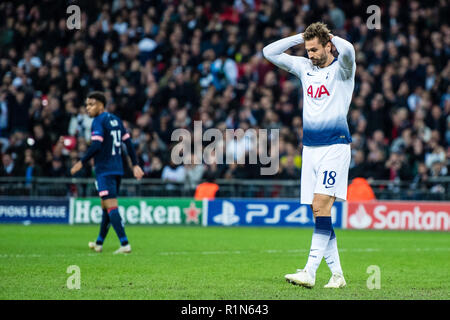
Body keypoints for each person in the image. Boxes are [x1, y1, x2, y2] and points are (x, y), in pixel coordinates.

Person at [263, 22, 355, 288]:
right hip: (310, 149)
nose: (310, 55)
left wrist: (331, 36)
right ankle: (337, 275)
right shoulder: (305, 68)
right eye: (307, 50)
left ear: (328, 46)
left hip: (335, 147)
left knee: (321, 205)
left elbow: (349, 50)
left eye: (315, 49)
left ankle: (310, 272)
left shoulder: (343, 70)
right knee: (319, 212)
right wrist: (299, 36)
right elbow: (269, 52)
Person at [70, 92, 144, 254]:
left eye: (92, 104)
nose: (88, 108)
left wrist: (81, 162)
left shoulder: (99, 121)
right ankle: (99, 243)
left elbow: (97, 145)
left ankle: (125, 244)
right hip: (117, 169)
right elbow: (128, 143)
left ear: (101, 105)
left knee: (111, 206)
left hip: (104, 169)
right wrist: (135, 164)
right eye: (87, 105)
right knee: (105, 206)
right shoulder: (116, 120)